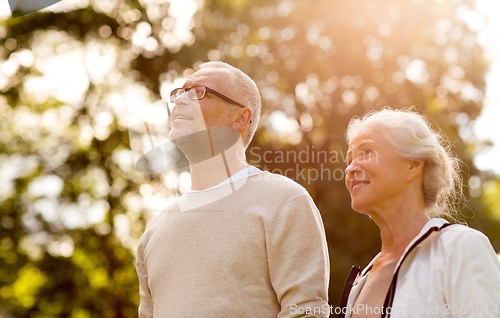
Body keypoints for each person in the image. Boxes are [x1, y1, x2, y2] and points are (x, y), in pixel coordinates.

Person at [135, 61, 330, 318]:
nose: (181, 100)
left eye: (198, 92)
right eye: (180, 92)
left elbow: (306, 311)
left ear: (241, 117)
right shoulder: (154, 231)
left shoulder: (284, 201)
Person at [339, 108, 500, 318]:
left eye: (366, 152)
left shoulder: (461, 247)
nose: (350, 168)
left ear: (413, 164)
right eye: (350, 159)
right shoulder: (363, 279)